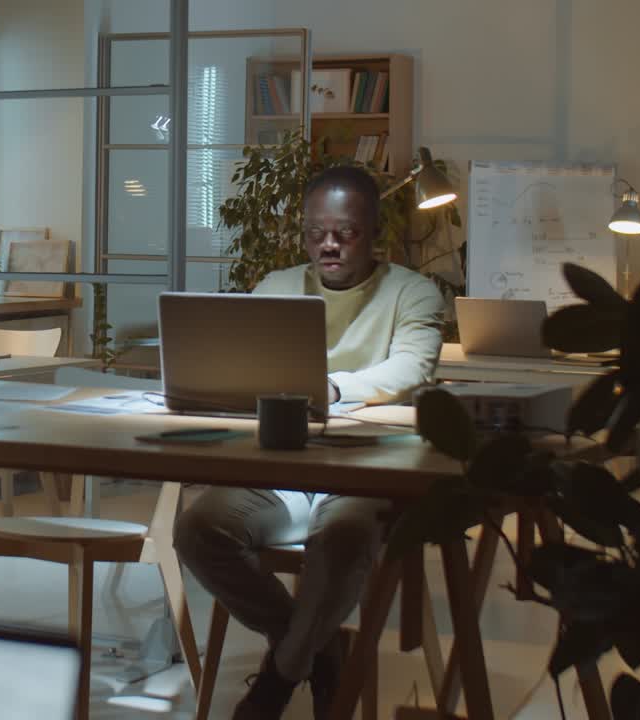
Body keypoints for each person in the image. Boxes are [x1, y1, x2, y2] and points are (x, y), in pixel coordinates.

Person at [173, 165, 445, 719]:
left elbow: (413, 367)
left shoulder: (413, 292)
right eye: (315, 231)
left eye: (344, 233)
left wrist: (334, 387)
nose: (327, 244)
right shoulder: (276, 287)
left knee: (343, 538)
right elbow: (244, 364)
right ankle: (316, 649)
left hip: (367, 470)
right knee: (198, 530)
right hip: (283, 468)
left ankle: (277, 679)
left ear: (374, 234)